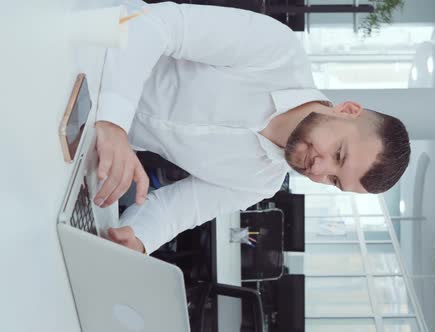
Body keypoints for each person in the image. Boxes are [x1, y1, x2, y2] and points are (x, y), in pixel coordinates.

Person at [96, 1, 411, 254]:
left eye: (333, 180)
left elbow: (173, 212)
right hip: (89, 45)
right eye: (339, 154)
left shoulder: (260, 183)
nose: (319, 169)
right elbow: (156, 23)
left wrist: (137, 238)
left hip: (85, 135)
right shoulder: (278, 52)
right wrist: (114, 120)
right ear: (347, 110)